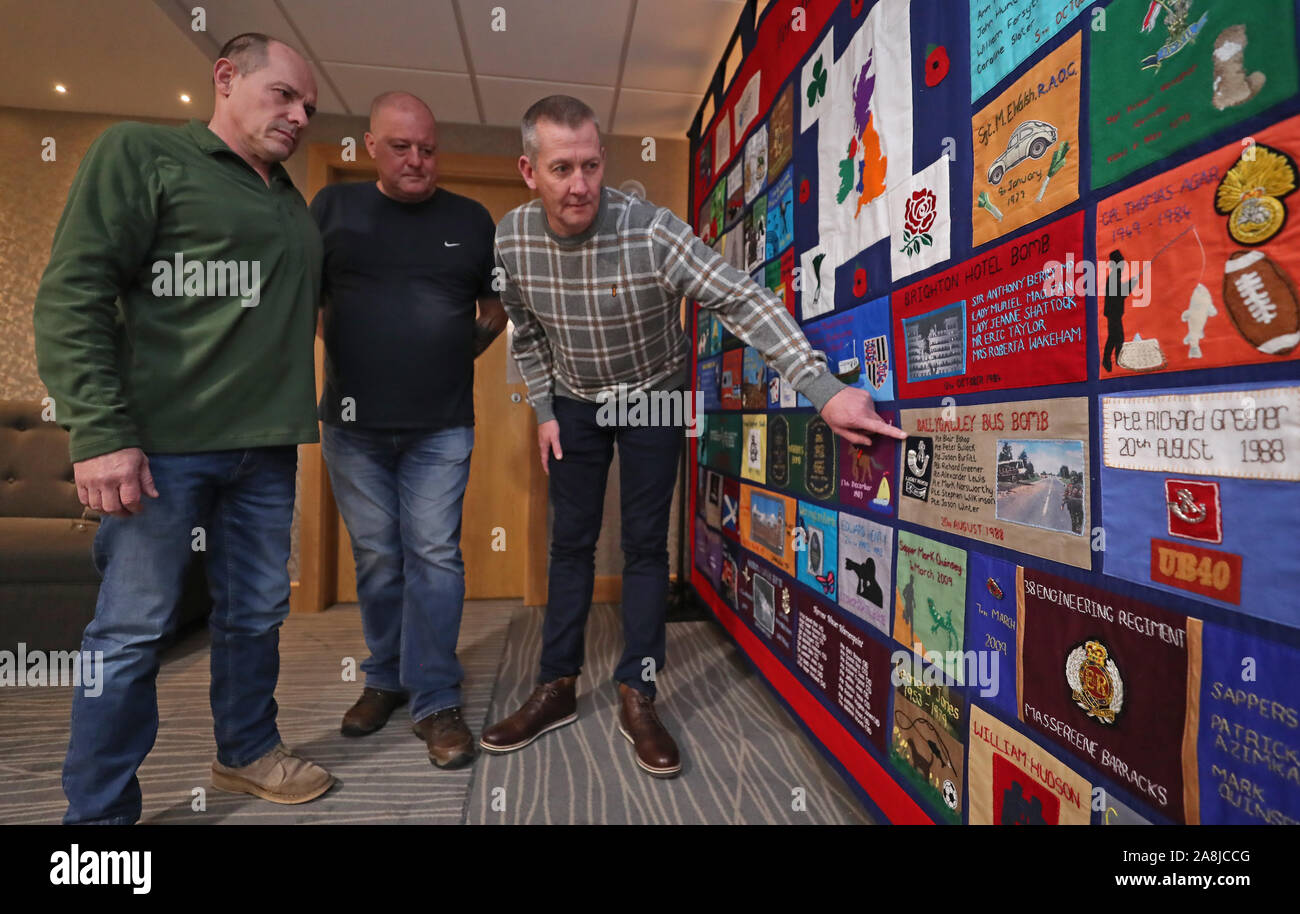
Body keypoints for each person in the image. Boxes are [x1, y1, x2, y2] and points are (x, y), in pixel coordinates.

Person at [481, 95, 906, 778]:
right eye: (562, 168)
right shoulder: (510, 239)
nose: (581, 184)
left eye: (591, 164)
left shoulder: (650, 230)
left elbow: (740, 297)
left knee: (647, 543)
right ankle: (555, 687)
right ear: (529, 171)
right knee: (572, 542)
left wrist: (822, 389)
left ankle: (638, 692)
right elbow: (525, 335)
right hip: (577, 403)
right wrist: (545, 410)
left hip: (652, 392)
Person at [33, 33, 334, 823]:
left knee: (255, 614)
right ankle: (97, 824)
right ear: (226, 78)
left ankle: (245, 751)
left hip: (266, 452)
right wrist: (99, 431)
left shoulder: (286, 200)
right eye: (283, 95)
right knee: (130, 635)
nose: (300, 115)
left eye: (309, 105)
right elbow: (76, 293)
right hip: (160, 451)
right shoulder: (141, 152)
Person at [311, 91, 504, 769]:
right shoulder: (333, 210)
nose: (418, 159)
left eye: (428, 147)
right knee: (378, 558)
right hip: (353, 427)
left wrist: (458, 350)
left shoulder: (473, 219)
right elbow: (306, 296)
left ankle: (436, 698)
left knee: (433, 555)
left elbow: (497, 300)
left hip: (440, 426)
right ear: (371, 147)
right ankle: (385, 678)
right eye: (401, 147)